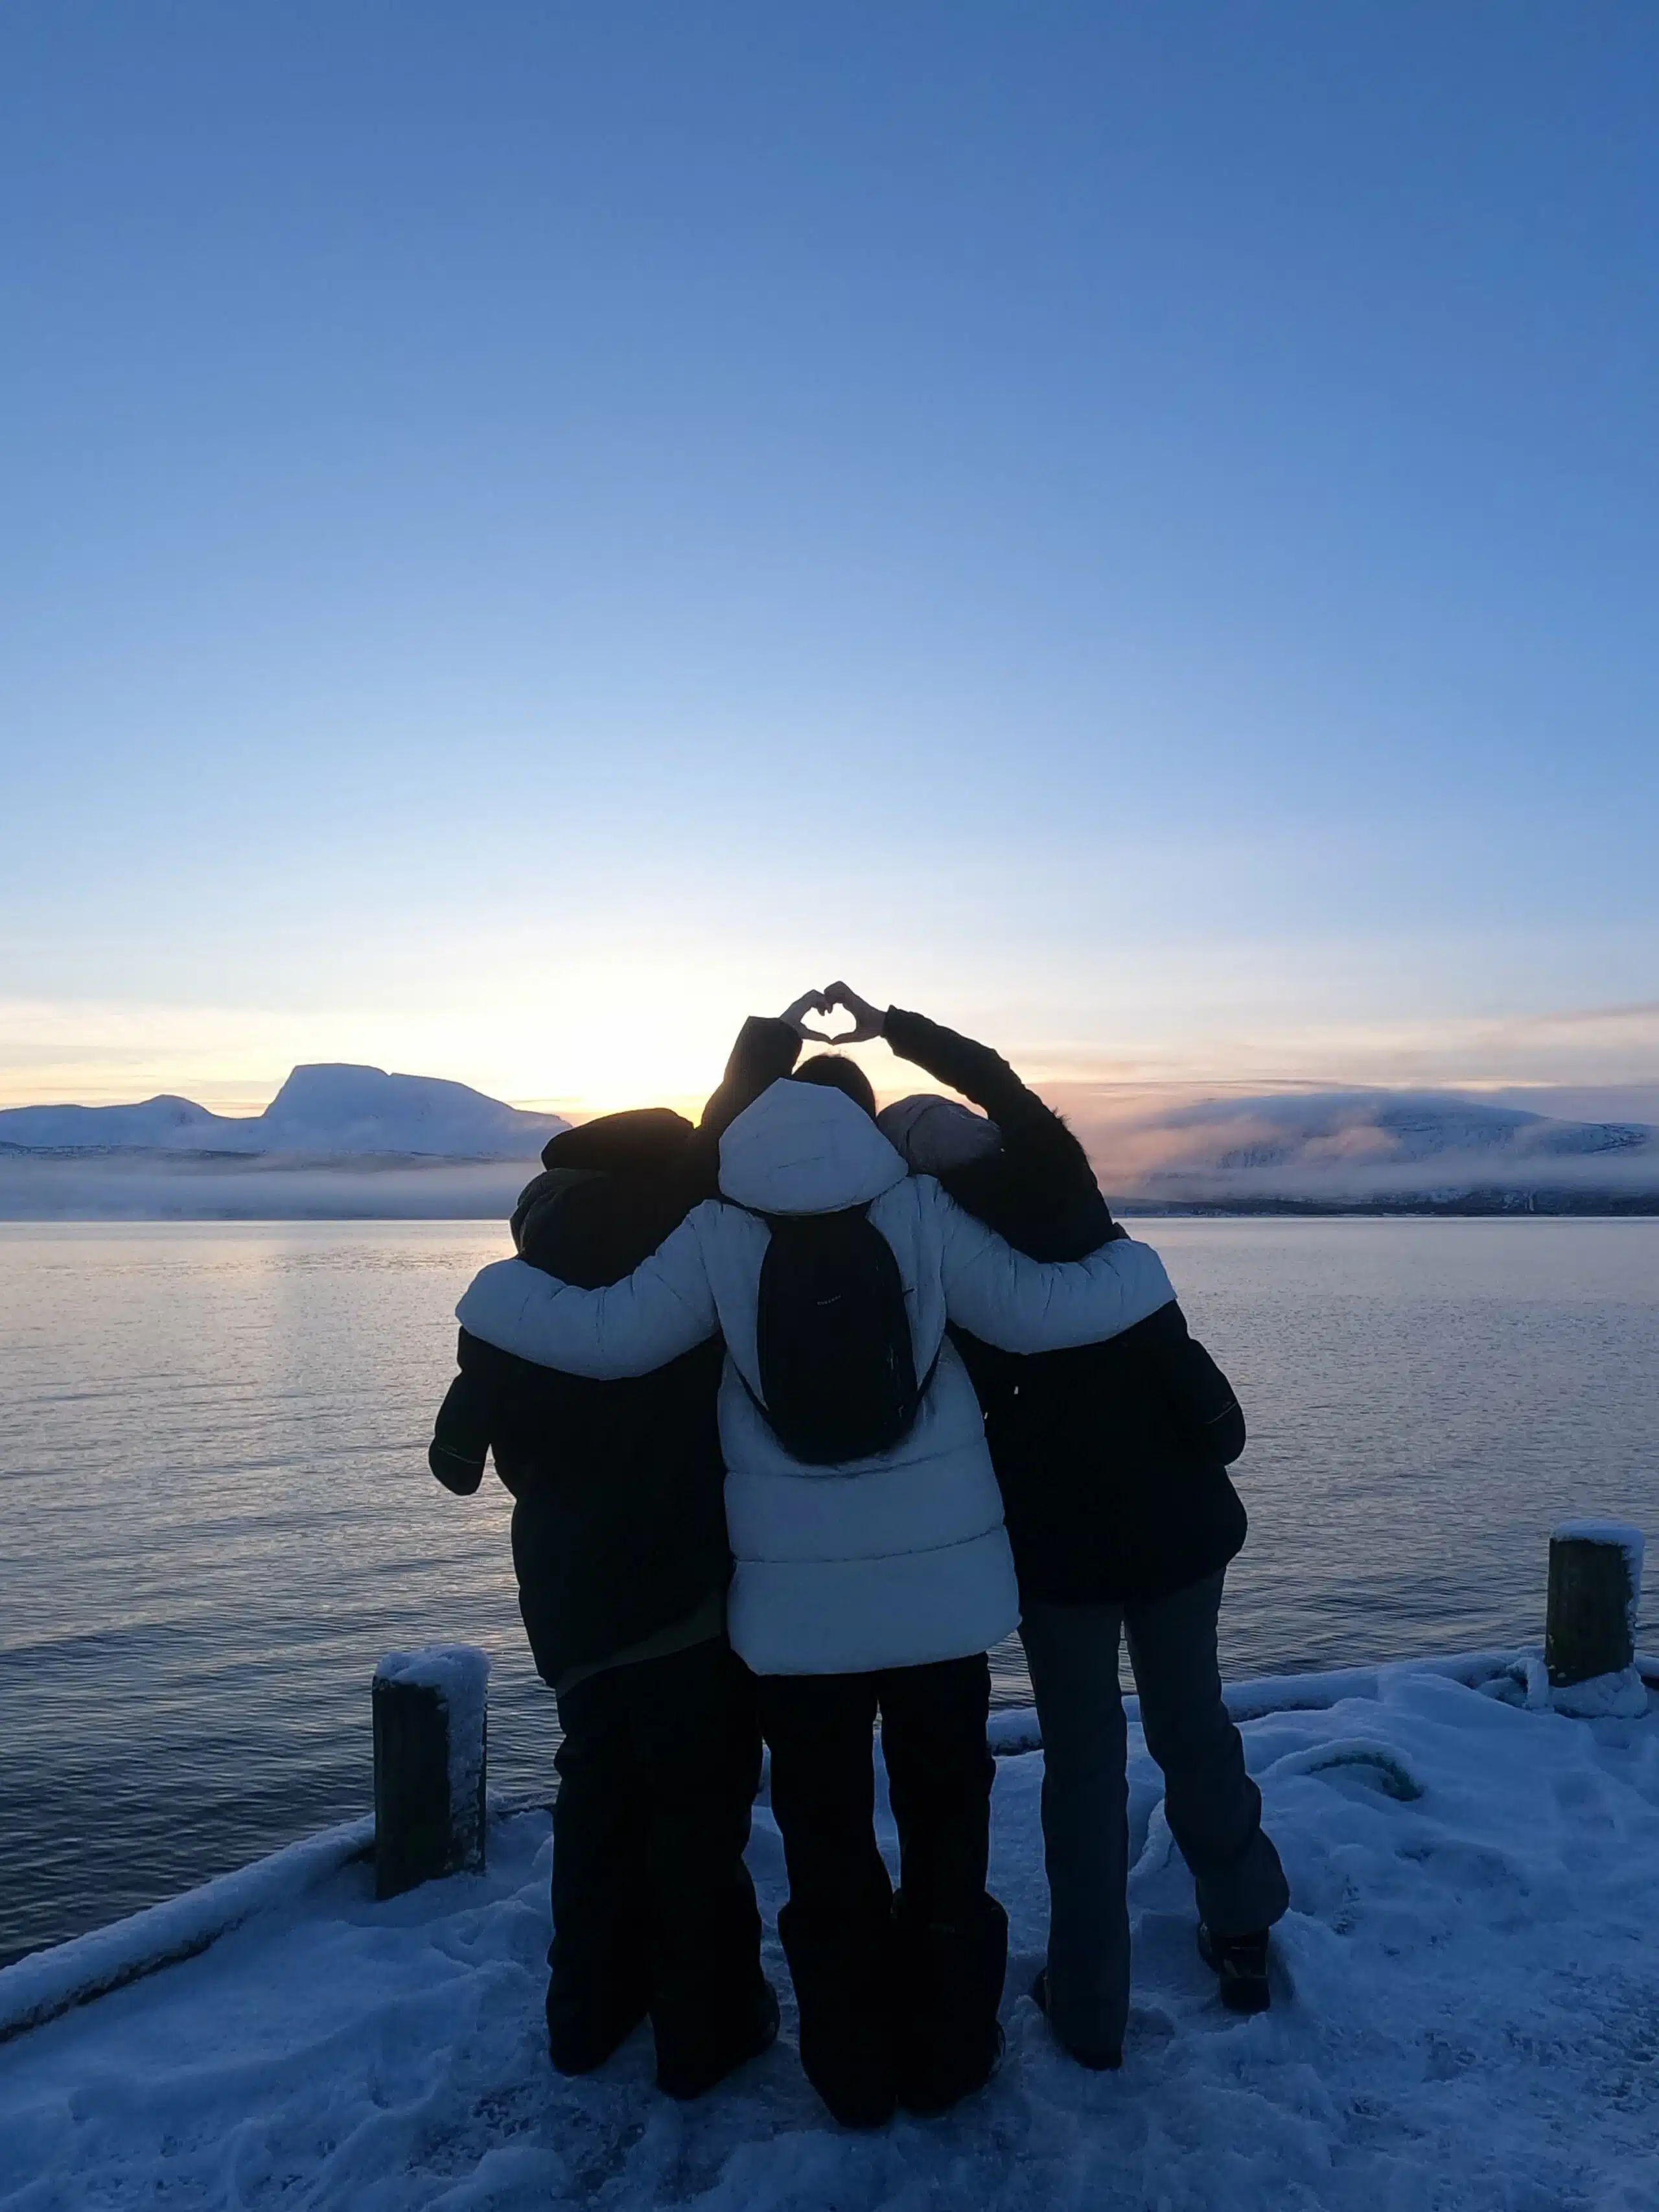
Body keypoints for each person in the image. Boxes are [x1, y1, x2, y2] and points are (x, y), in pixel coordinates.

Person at [453, 1027, 1178, 2128]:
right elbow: (1048, 1312)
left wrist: (488, 1297)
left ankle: (848, 2067)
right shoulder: (924, 1217)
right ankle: (946, 2050)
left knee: (826, 1837)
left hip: (792, 1615)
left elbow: (607, 1338)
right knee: (946, 1824)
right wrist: (1142, 1266)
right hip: (943, 1606)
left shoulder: (719, 1232)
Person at [818, 983, 1288, 2069]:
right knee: (1194, 1725)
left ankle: (1089, 2006)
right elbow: (993, 1074)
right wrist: (898, 1027)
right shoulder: (1067, 1188)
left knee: (1085, 1765)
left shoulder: (938, 1252)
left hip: (1060, 1554)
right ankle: (1246, 1926)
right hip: (1177, 1529)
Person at [428, 1100, 778, 2102]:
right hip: (685, 1591)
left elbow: (451, 1465)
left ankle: (586, 2015)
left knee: (598, 1798)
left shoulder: (513, 1304)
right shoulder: (689, 1275)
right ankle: (702, 2032)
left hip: (571, 1600)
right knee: (697, 1813)